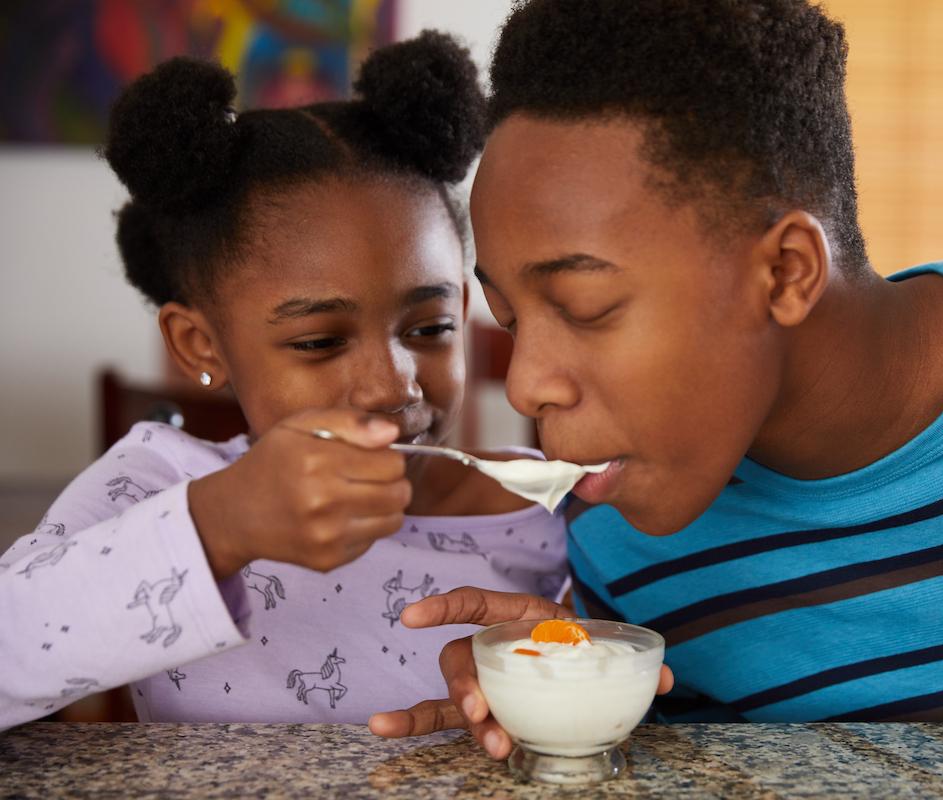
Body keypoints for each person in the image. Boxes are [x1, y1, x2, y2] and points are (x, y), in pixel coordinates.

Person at [368, 0, 943, 759]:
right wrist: (575, 700)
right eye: (511, 320)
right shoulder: (619, 546)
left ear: (787, 272)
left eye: (584, 305)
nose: (525, 388)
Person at [0, 32, 568, 730]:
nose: (391, 386)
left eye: (429, 329)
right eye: (319, 341)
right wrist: (220, 525)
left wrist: (568, 664)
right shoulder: (156, 484)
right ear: (199, 343)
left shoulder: (547, 505)